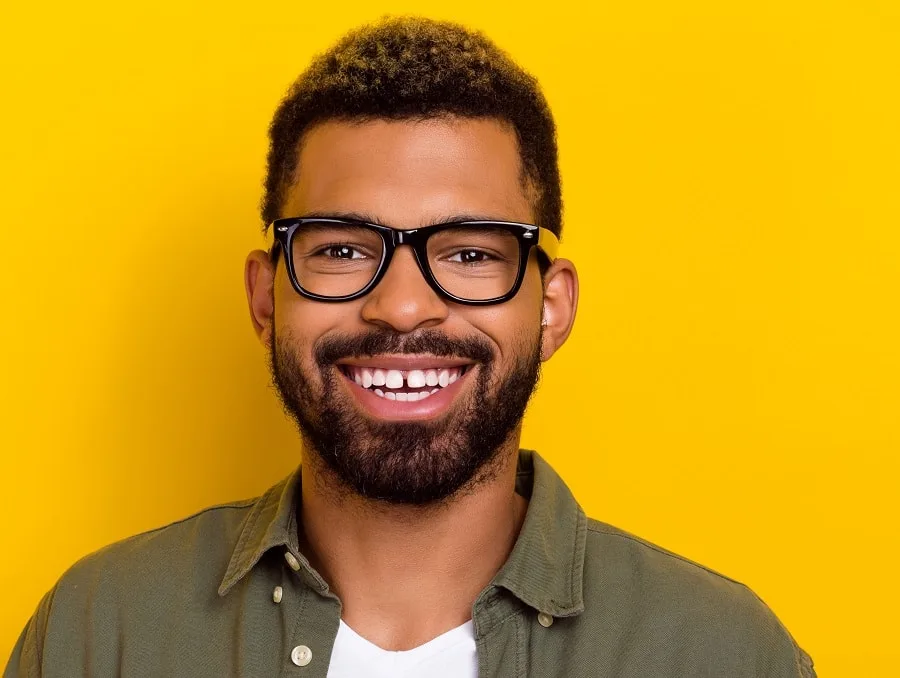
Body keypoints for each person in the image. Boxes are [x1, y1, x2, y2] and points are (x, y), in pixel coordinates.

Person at [5, 16, 816, 678]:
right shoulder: (94, 635)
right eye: (343, 251)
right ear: (265, 296)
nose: (401, 306)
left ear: (553, 308)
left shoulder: (725, 654)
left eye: (469, 253)